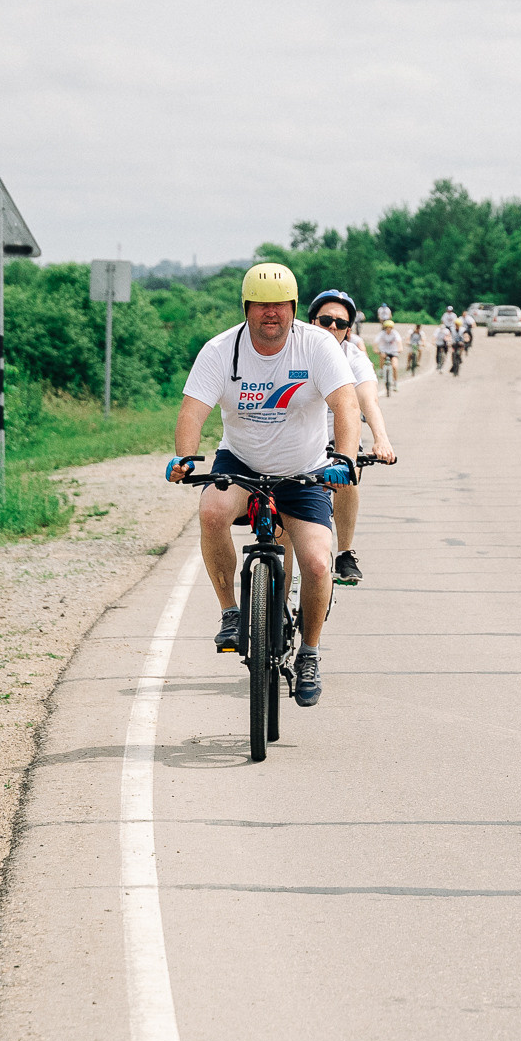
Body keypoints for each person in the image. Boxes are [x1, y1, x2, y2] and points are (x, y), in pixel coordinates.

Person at [167, 262, 393, 708]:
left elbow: (345, 407)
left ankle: (309, 653)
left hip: (305, 470)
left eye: (280, 306)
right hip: (242, 463)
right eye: (261, 306)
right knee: (211, 512)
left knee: (314, 564)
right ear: (247, 308)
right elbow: (193, 411)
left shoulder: (317, 346)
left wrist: (344, 460)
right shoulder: (220, 350)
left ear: (293, 309)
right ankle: (231, 613)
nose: (271, 314)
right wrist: (185, 458)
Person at [307, 289, 386, 586]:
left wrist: (381, 438)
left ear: (348, 331)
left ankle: (344, 552)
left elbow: (368, 400)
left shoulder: (353, 357)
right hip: (298, 439)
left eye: (340, 324)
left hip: (338, 437)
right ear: (311, 321)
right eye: (325, 320)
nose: (332, 328)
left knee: (346, 472)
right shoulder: (290, 351)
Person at [370, 305, 404, 389]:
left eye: (390, 328)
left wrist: (400, 348)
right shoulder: (382, 334)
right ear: (385, 328)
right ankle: (381, 370)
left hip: (393, 351)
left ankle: (395, 382)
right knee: (382, 356)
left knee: (395, 366)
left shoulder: (395, 333)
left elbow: (399, 341)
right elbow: (375, 342)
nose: (389, 329)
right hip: (384, 351)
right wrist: (375, 349)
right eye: (387, 328)